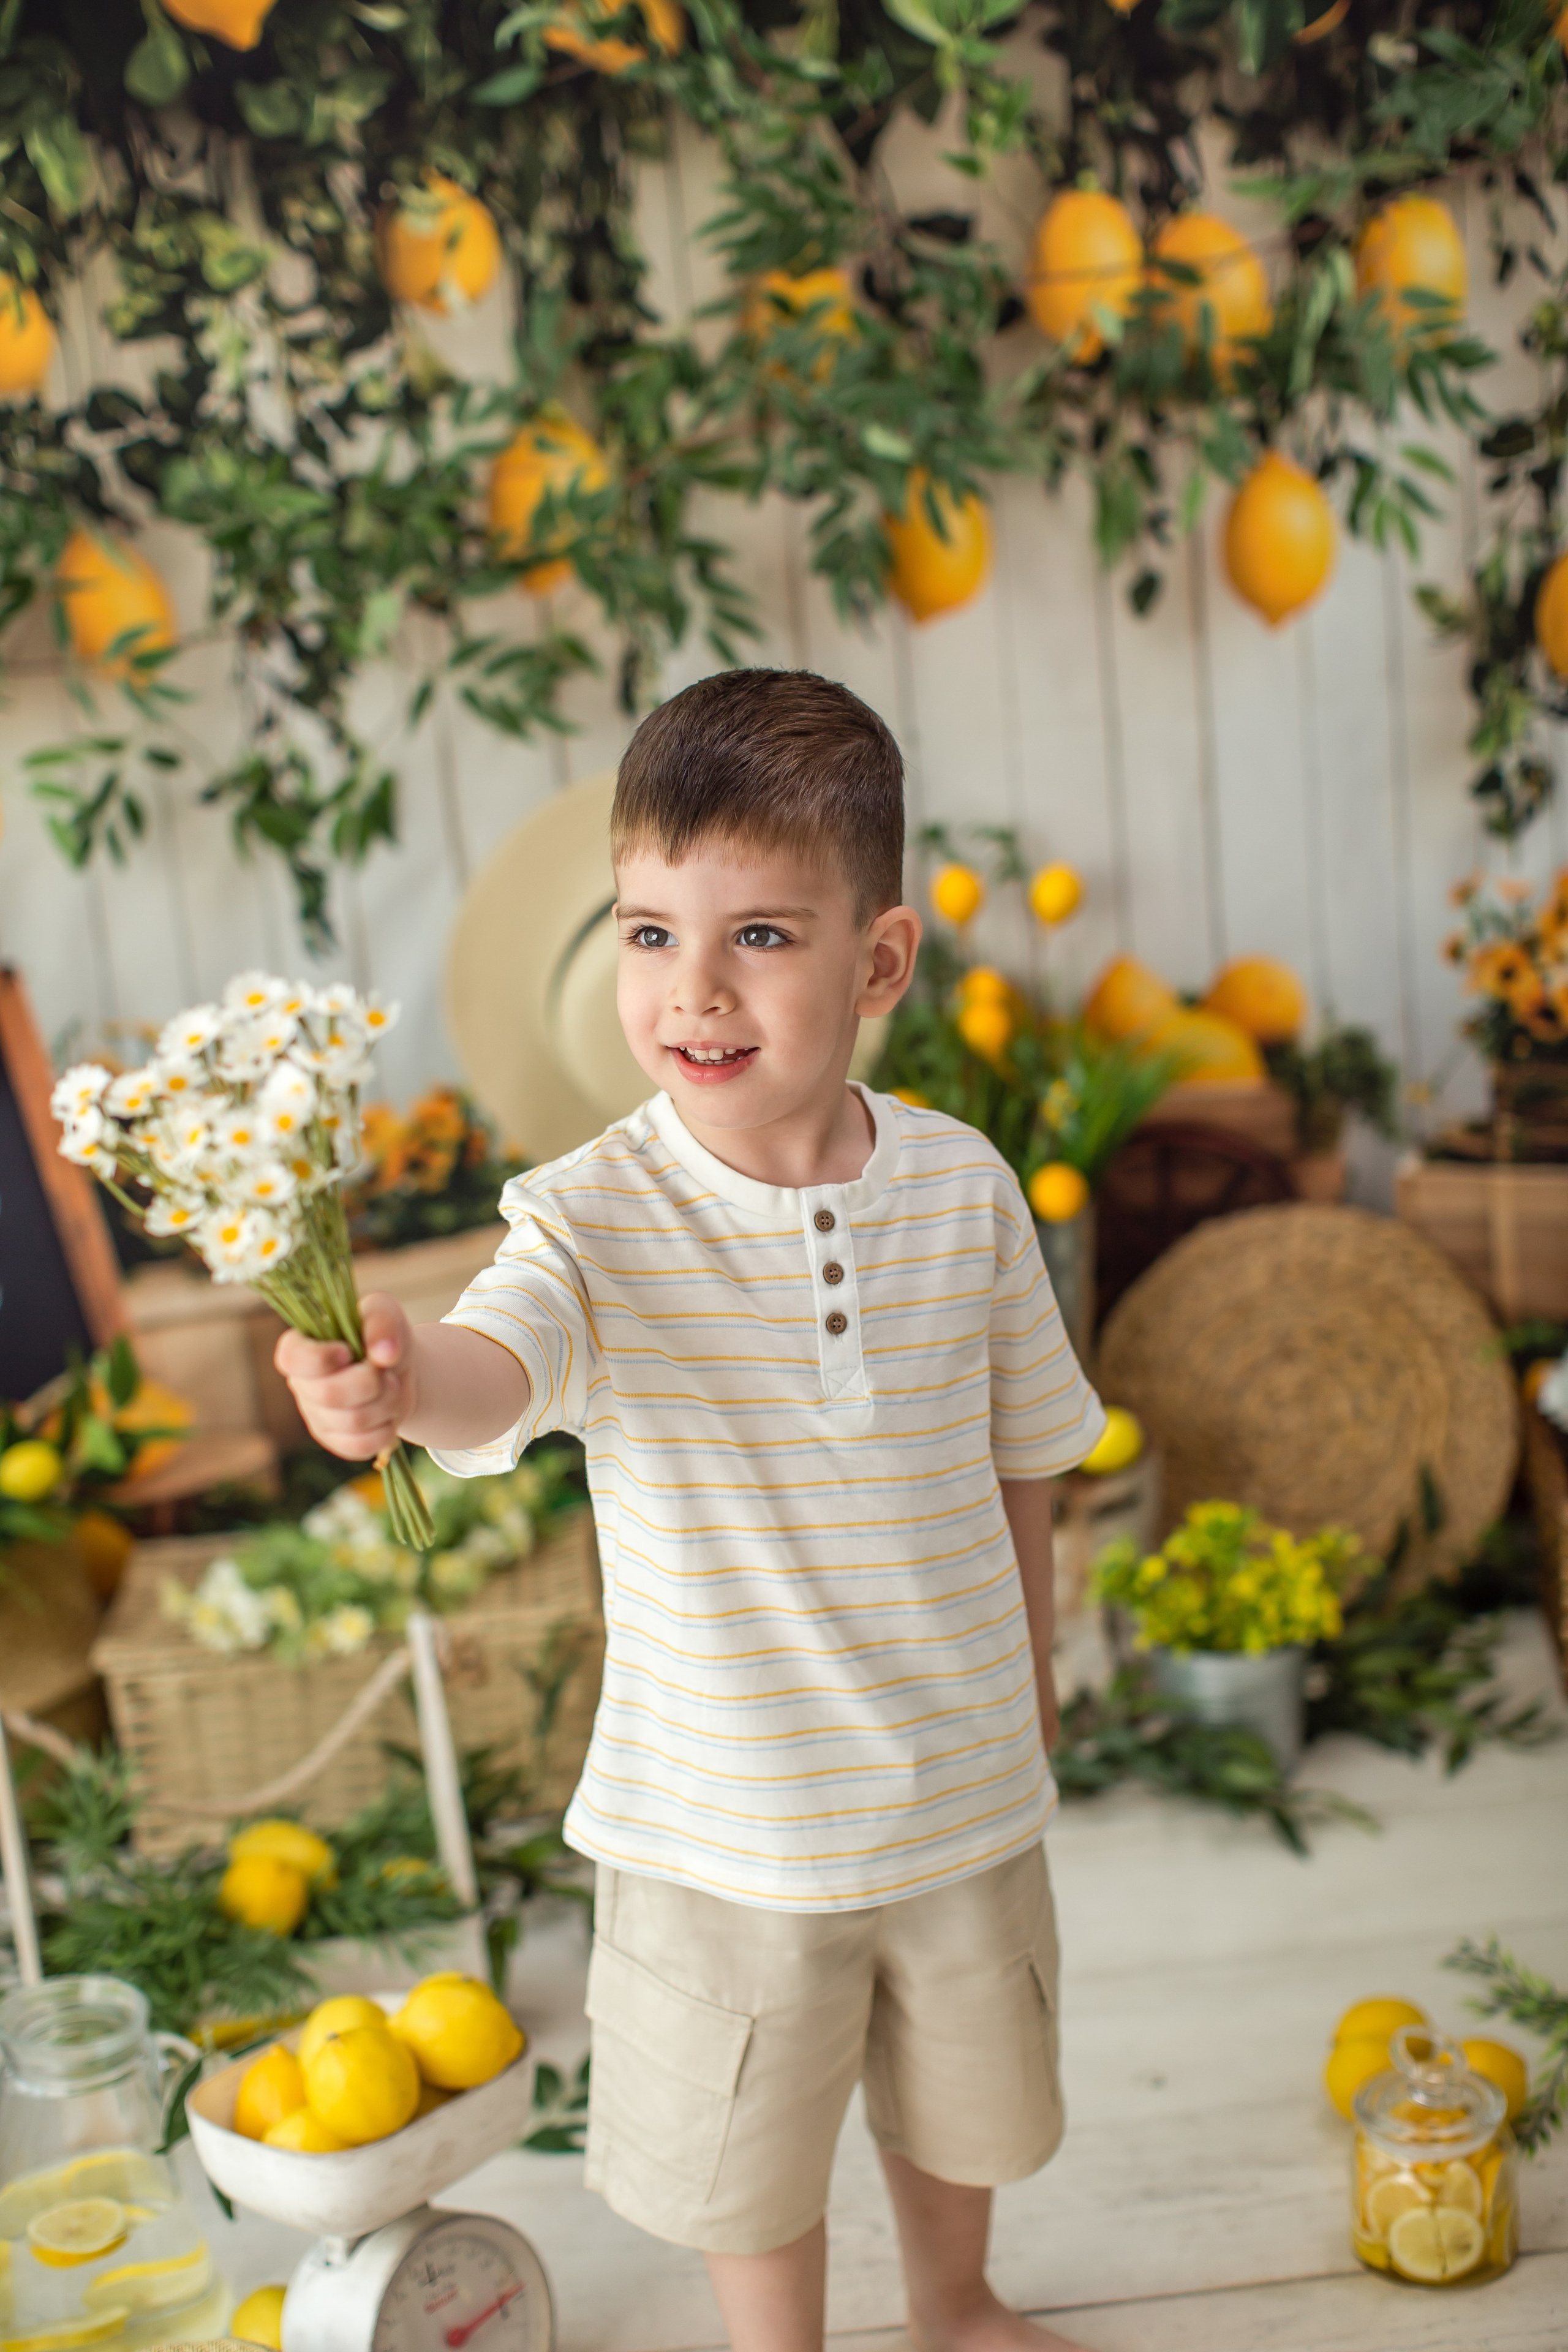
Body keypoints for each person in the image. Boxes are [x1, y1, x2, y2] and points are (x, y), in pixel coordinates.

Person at [276, 668, 1106, 2352]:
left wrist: (1030, 1681)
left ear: (879, 960)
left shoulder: (965, 1191)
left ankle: (957, 2304)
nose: (695, 993)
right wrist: (398, 1377)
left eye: (763, 939)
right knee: (751, 2146)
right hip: (724, 1826)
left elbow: (1026, 1452)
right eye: (650, 933)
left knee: (964, 2088)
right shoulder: (592, 1220)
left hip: (956, 1789)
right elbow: (500, 1369)